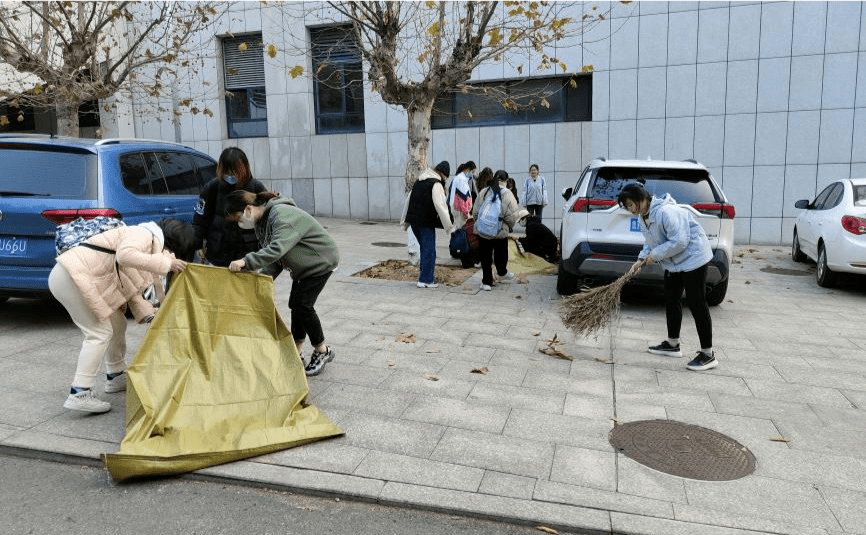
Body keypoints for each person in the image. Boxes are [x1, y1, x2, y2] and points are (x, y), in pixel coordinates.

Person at [49, 219, 195, 413]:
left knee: (118, 324)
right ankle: (80, 392)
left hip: (74, 278)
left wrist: (152, 315)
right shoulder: (143, 234)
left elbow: (132, 291)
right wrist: (165, 262)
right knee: (99, 333)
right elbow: (124, 256)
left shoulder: (146, 247)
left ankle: (116, 376)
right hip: (71, 278)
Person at [225, 191, 340, 376]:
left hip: (320, 262)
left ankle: (322, 350)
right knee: (295, 305)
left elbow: (276, 249)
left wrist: (246, 261)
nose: (239, 224)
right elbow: (276, 260)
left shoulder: (281, 215)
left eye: (238, 219)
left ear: (247, 209)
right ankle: (296, 350)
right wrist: (261, 279)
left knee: (303, 305)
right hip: (303, 267)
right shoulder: (262, 223)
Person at [617, 183, 717, 372]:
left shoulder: (667, 212)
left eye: (630, 204)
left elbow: (680, 241)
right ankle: (673, 345)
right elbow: (650, 242)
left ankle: (708, 354)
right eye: (628, 206)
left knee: (696, 302)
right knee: (671, 298)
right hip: (675, 261)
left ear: (640, 199)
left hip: (694, 257)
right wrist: (639, 260)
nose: (630, 210)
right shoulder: (643, 218)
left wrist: (653, 256)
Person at [193, 147, 277, 276]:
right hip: (218, 254)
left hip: (247, 256)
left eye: (234, 172)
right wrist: (198, 244)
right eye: (227, 171)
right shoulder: (212, 188)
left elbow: (268, 221)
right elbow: (200, 219)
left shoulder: (256, 188)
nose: (231, 175)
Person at [400, 161, 455, 288]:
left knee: (425, 249)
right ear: (444, 175)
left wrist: (404, 221)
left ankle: (425, 277)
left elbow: (409, 201)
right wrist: (450, 227)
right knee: (429, 251)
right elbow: (441, 206)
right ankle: (426, 280)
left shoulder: (420, 180)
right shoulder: (436, 184)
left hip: (414, 222)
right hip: (425, 222)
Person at [472, 169, 520, 291]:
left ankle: (487, 282)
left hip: (483, 232)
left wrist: (482, 223)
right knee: (501, 254)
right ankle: (502, 273)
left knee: (485, 257)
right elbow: (512, 215)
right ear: (506, 180)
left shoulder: (484, 191)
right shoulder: (508, 194)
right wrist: (509, 225)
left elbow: (476, 212)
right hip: (500, 231)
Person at [448, 161, 479, 268]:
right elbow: (463, 198)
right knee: (461, 233)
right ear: (468, 169)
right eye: (473, 171)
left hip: (456, 209)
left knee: (456, 231)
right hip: (460, 210)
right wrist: (466, 213)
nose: (473, 174)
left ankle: (456, 251)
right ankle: (461, 253)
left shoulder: (458, 178)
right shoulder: (461, 179)